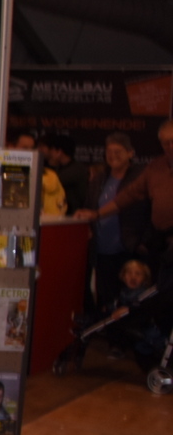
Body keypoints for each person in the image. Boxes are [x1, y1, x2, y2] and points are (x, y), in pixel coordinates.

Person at [76, 118, 173, 273]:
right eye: (165, 142)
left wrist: (143, 241)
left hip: (137, 246)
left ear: (130, 153)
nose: (170, 146)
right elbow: (129, 195)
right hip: (162, 244)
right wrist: (97, 214)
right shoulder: (155, 167)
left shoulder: (138, 171)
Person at [80, 132, 147, 309]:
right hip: (102, 249)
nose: (112, 156)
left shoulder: (140, 177)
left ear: (130, 153)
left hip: (129, 248)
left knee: (130, 298)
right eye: (109, 152)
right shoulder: (99, 178)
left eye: (118, 151)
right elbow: (89, 207)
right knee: (105, 298)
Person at [39, 132, 89, 215]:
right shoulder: (62, 167)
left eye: (52, 150)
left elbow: (51, 183)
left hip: (74, 214)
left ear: (59, 152)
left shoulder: (76, 169)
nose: (50, 153)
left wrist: (51, 163)